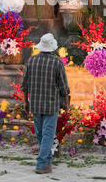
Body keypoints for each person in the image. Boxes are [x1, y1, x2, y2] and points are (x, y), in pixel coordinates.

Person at [21, 33, 70, 174]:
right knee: (47, 134)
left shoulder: (31, 61)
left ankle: (47, 161)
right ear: (53, 48)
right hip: (51, 104)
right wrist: (66, 103)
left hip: (35, 104)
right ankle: (42, 164)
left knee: (41, 134)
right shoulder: (57, 62)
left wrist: (26, 101)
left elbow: (25, 85)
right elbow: (63, 86)